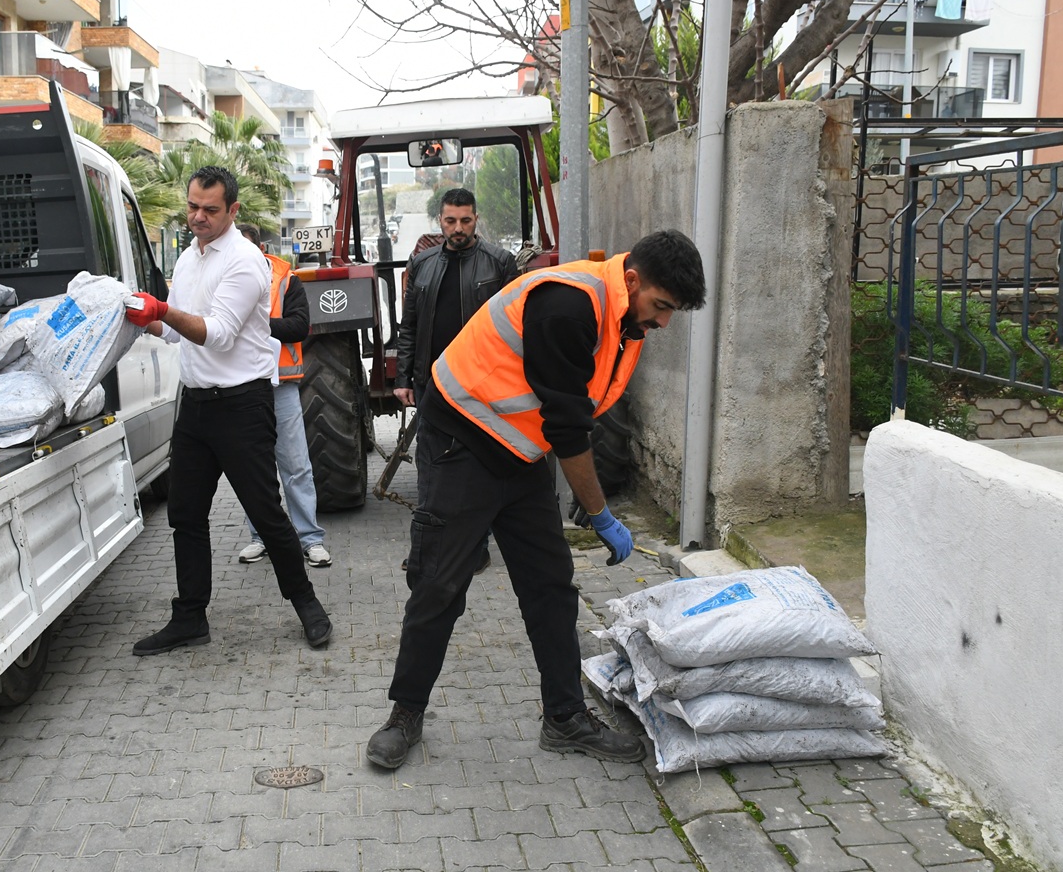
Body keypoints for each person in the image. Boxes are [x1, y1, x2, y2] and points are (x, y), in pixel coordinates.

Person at [365, 230, 707, 769]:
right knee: (439, 585)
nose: (663, 322)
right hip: (461, 444)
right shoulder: (569, 304)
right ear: (634, 280)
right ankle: (404, 714)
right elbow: (569, 430)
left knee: (550, 588)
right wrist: (600, 514)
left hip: (519, 454)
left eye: (672, 312)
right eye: (661, 306)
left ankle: (565, 717)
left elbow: (572, 411)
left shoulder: (621, 313)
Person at [124, 166, 332, 655]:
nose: (198, 217)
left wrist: (160, 310)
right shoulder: (190, 259)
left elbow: (215, 333)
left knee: (265, 510)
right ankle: (190, 618)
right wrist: (139, 317)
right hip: (195, 406)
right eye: (192, 206)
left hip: (242, 404)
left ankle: (307, 603)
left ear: (233, 210)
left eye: (210, 210)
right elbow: (176, 332)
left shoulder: (244, 261)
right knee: (186, 515)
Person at [393, 187, 518, 574]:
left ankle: (475, 549)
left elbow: (516, 327)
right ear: (441, 222)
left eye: (465, 220)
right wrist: (404, 378)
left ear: (476, 219)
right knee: (431, 472)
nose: (458, 228)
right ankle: (425, 552)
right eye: (451, 221)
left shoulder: (500, 263)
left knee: (477, 471)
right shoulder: (422, 265)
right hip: (435, 386)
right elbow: (409, 326)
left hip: (483, 387)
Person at [234, 223, 332, 568]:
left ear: (260, 249)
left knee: (295, 467)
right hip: (241, 387)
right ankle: (260, 538)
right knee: (252, 470)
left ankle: (310, 540)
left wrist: (254, 323)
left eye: (244, 248)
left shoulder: (286, 279)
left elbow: (299, 326)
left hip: (281, 387)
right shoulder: (222, 279)